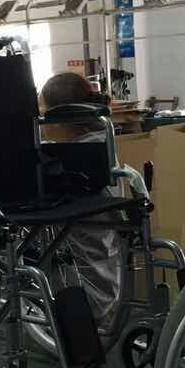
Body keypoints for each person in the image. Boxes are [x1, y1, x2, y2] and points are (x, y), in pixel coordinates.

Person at [38, 72, 123, 329]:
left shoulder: (72, 160)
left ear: (60, 116)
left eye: (42, 112)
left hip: (85, 296)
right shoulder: (100, 145)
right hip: (109, 281)